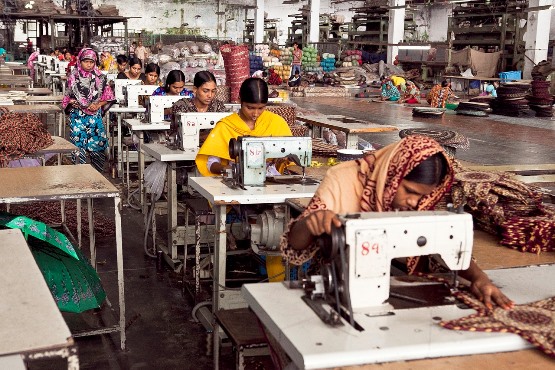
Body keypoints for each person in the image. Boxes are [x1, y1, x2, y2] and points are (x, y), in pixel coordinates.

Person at [281, 135, 514, 311]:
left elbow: (445, 241)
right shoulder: (342, 179)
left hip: (399, 283)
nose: (415, 202)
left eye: (422, 196)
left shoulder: (419, 201)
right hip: (338, 286)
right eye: (410, 191)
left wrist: (480, 278)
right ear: (394, 174)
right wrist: (311, 222)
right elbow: (295, 244)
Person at [195, 77, 292, 177]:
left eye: (261, 108)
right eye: (250, 108)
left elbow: (291, 156)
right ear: (239, 100)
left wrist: (281, 162)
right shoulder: (226, 125)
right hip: (236, 179)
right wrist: (228, 169)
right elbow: (211, 163)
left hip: (272, 183)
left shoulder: (276, 122)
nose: (255, 113)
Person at [62, 48, 115, 172]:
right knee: (78, 147)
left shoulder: (101, 77)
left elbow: (108, 96)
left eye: (91, 61)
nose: (89, 64)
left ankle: (97, 174)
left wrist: (97, 105)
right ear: (80, 61)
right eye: (86, 61)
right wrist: (73, 102)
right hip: (78, 116)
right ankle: (80, 175)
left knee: (97, 146)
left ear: (95, 62)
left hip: (94, 116)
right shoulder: (73, 76)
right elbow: (67, 97)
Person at [171, 70, 227, 139]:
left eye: (213, 91)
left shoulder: (218, 106)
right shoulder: (181, 106)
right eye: (205, 91)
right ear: (195, 89)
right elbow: (181, 135)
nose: (210, 95)